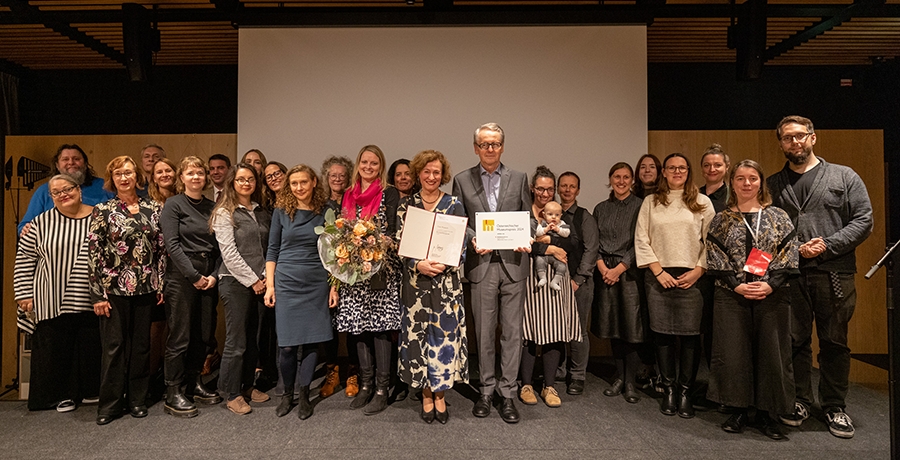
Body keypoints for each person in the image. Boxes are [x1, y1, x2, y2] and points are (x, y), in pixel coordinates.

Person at [768, 115, 873, 439]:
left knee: (834, 342)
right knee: (794, 341)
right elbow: (769, 229)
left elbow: (863, 220)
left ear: (813, 138)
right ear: (782, 143)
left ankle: (834, 407)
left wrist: (827, 245)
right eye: (787, 138)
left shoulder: (844, 176)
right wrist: (793, 250)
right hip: (792, 275)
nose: (794, 142)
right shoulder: (774, 183)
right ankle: (800, 400)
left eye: (800, 136)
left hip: (834, 273)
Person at [706, 159, 799, 440]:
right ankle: (737, 410)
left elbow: (789, 252)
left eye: (753, 178)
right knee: (733, 353)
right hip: (731, 295)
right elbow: (714, 254)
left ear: (761, 182)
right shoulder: (721, 219)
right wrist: (737, 285)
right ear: (732, 184)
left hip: (772, 295)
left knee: (772, 353)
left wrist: (770, 285)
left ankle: (767, 414)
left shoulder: (778, 217)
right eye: (740, 179)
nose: (747, 183)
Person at [451, 123, 534, 424]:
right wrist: (473, 238)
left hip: (514, 265)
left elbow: (530, 220)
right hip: (481, 266)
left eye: (495, 144)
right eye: (484, 144)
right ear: (475, 148)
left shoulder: (519, 178)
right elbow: (459, 221)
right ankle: (486, 391)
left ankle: (507, 394)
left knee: (512, 334)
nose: (490, 149)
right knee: (484, 333)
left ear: (502, 147)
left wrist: (529, 236)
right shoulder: (462, 180)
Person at [635, 153, 715, 419]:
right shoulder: (651, 201)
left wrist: (698, 271)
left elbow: (712, 243)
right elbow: (641, 239)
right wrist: (658, 272)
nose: (677, 172)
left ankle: (685, 392)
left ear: (688, 171)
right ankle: (668, 389)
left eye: (682, 167)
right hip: (659, 276)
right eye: (671, 168)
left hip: (693, 277)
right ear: (664, 172)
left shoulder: (702, 202)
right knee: (662, 334)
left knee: (691, 336)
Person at [88, 156, 166, 425]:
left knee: (142, 347)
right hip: (113, 291)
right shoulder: (103, 210)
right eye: (119, 173)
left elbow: (160, 250)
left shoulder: (152, 208)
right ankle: (109, 405)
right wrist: (97, 294)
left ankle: (137, 400)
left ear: (137, 177)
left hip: (146, 287)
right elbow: (93, 254)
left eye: (129, 173)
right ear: (112, 178)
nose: (124, 178)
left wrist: (161, 284)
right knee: (114, 348)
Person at [14, 174, 100, 413]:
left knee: (89, 345)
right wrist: (23, 294)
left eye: (68, 189)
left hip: (91, 298)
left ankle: (90, 390)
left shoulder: (99, 218)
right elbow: (24, 260)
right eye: (57, 192)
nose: (64, 194)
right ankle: (60, 395)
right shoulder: (40, 224)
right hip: (51, 298)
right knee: (55, 349)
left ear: (79, 190)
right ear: (51, 197)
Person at [396, 150, 468, 424]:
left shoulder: (454, 204)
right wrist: (417, 264)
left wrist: (444, 265)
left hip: (446, 285)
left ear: (443, 175)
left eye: (436, 172)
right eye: (426, 171)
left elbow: (460, 246)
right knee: (419, 341)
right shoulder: (407, 206)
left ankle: (440, 394)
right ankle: (426, 394)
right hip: (416, 287)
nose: (431, 176)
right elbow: (401, 245)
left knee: (443, 341)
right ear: (418, 174)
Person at [330, 145, 402, 416]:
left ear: (380, 166)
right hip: (353, 274)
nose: (368, 167)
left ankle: (382, 389)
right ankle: (366, 385)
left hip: (382, 272)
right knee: (358, 327)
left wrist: (377, 243)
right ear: (358, 164)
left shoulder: (389, 193)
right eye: (364, 162)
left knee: (381, 328)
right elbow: (339, 231)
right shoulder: (348, 195)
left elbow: (394, 231)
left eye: (374, 163)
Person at [266, 164, 334, 419]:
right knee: (287, 347)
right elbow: (272, 250)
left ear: (314, 182)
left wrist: (333, 287)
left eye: (303, 182)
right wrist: (270, 285)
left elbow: (334, 255)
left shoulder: (327, 211)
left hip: (316, 283)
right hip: (287, 282)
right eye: (293, 184)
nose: (298, 188)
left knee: (311, 341)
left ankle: (304, 395)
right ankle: (287, 395)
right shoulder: (281, 211)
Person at [159, 156, 223, 418]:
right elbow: (172, 246)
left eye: (200, 173)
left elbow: (221, 247)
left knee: (204, 333)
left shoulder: (212, 207)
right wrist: (195, 276)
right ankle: (173, 390)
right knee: (180, 335)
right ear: (181, 178)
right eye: (190, 173)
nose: (196, 177)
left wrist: (215, 276)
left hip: (209, 274)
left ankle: (194, 382)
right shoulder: (174, 205)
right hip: (182, 277)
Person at [211, 163, 273, 415]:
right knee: (236, 341)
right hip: (235, 282)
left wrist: (266, 278)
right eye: (240, 179)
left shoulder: (259, 211)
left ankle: (247, 386)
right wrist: (253, 280)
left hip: (260, 282)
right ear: (232, 183)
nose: (246, 183)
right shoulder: (224, 212)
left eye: (250, 179)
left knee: (253, 338)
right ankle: (231, 392)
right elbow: (229, 253)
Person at [519, 166, 579, 409]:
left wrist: (550, 241)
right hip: (531, 277)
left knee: (555, 330)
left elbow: (573, 243)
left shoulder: (560, 214)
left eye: (549, 189)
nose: (545, 193)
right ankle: (526, 384)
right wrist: (550, 248)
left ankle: (550, 385)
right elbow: (520, 242)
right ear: (533, 188)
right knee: (530, 331)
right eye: (541, 188)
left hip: (558, 280)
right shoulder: (524, 216)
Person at [591, 162, 646, 404]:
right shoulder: (601, 208)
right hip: (605, 272)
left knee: (631, 328)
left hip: (630, 272)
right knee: (613, 326)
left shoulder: (642, 206)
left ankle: (631, 381)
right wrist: (603, 267)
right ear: (610, 179)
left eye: (626, 177)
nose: (621, 181)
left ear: (632, 180)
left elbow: (642, 240)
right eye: (617, 176)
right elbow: (593, 242)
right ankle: (619, 376)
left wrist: (620, 267)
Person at [555, 171, 599, 396]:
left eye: (572, 186)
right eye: (563, 186)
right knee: (559, 328)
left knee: (578, 329)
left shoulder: (584, 217)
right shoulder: (550, 214)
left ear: (578, 190)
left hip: (578, 283)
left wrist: (578, 279)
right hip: (556, 282)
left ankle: (578, 375)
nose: (567, 190)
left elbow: (591, 250)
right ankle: (561, 370)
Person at [318, 155, 358, 399]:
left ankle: (353, 372)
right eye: (333, 175)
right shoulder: (320, 204)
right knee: (329, 324)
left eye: (342, 175)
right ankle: (331, 372)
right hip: (323, 271)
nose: (338, 179)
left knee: (352, 325)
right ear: (326, 177)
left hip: (352, 270)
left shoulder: (354, 202)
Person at [19, 144, 114, 235]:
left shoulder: (105, 186)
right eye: (65, 159)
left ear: (85, 163)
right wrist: (25, 229)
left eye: (76, 159)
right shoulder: (44, 191)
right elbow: (24, 226)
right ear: (57, 165)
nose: (71, 162)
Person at [533, 200, 570, 290]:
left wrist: (558, 230)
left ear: (561, 216)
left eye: (557, 215)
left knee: (562, 266)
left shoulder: (562, 224)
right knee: (539, 261)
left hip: (558, 256)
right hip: (543, 254)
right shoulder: (542, 223)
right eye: (550, 214)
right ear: (544, 214)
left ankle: (555, 282)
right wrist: (546, 229)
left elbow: (567, 233)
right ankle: (542, 278)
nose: (553, 217)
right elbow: (538, 233)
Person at [699, 144, 730, 214]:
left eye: (718, 165)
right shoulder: (694, 196)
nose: (712, 169)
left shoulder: (734, 196)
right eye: (706, 165)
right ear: (702, 168)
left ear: (727, 167)